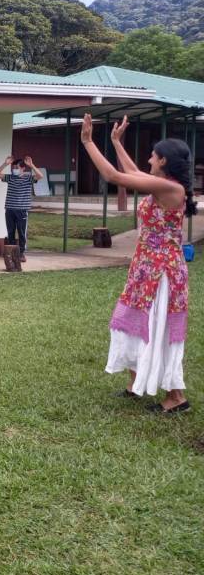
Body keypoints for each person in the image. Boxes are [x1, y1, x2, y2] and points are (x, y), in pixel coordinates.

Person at [81, 114, 195, 413]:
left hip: (162, 272)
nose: (149, 159)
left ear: (164, 161)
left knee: (158, 327)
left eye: (153, 155)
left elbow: (115, 176)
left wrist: (88, 142)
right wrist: (116, 142)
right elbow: (131, 172)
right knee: (134, 320)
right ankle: (135, 383)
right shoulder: (162, 184)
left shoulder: (173, 190)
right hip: (146, 267)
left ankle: (177, 397)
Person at [0, 154, 42, 262]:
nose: (14, 169)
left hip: (22, 210)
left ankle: (21, 253)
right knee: (10, 231)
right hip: (10, 209)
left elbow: (40, 176)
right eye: (13, 167)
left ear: (23, 168)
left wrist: (32, 165)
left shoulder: (28, 178)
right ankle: (11, 253)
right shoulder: (10, 177)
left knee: (21, 232)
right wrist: (5, 164)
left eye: (16, 167)